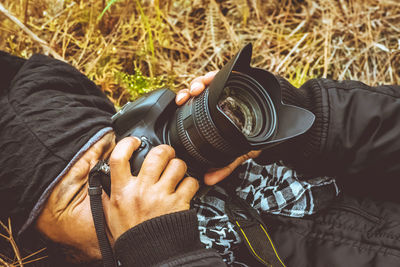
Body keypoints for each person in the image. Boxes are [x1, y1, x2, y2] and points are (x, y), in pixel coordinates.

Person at [1, 49, 400, 267]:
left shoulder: (248, 172)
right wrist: (164, 253)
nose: (135, 169)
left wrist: (310, 121)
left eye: (116, 147)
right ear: (50, 246)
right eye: (83, 190)